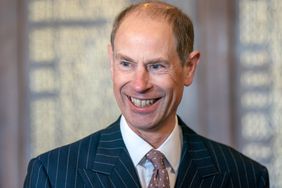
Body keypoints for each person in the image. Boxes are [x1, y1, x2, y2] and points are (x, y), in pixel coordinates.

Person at [24, 1, 269, 187]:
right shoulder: (53, 174)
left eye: (156, 66)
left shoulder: (244, 176)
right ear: (111, 62)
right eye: (126, 64)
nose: (140, 84)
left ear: (189, 68)